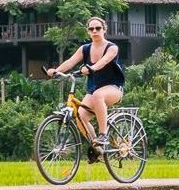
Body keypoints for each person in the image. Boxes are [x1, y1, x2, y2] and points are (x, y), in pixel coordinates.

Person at [50, 16, 124, 156]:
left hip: (113, 88)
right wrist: (56, 70)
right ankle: (96, 147)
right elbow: (71, 61)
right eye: (91, 29)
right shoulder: (84, 49)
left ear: (104, 30)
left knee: (98, 95)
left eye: (98, 28)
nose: (95, 31)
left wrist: (92, 68)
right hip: (94, 89)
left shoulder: (112, 47)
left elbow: (105, 61)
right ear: (88, 32)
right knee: (80, 116)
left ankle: (103, 135)